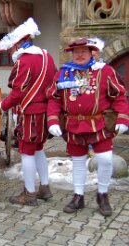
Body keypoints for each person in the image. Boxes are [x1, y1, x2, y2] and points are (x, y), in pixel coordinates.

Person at [47, 38, 129, 216]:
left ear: (91, 52)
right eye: (76, 52)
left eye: (83, 51)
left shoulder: (105, 71)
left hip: (99, 124)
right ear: (72, 54)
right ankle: (79, 196)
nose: (79, 55)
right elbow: (54, 98)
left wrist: (123, 119)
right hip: (73, 124)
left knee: (106, 159)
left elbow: (119, 97)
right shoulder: (64, 73)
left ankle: (103, 195)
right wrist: (52, 120)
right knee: (77, 162)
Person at [0, 17, 57, 206]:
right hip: (45, 112)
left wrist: (3, 105)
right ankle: (45, 187)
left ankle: (29, 193)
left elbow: (18, 93)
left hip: (30, 114)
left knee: (27, 152)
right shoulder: (47, 57)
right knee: (39, 148)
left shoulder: (25, 60)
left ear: (18, 43)